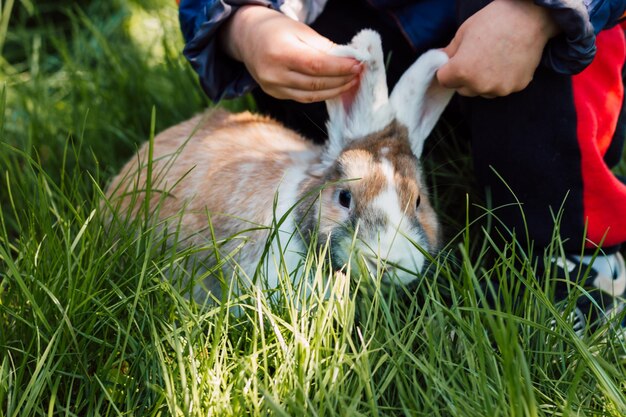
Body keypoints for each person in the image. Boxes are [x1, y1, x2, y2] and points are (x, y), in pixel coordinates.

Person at [178, 0, 626, 332]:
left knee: (568, 41)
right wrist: (248, 22)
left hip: (522, 35)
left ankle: (575, 254)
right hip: (377, 29)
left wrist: (540, 13)